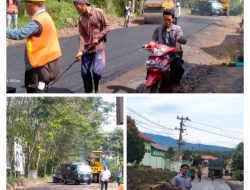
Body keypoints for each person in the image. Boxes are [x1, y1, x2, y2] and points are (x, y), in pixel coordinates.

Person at [6, 0, 61, 93]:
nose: (25, 7)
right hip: (46, 64)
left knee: (32, 89)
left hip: (36, 66)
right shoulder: (45, 16)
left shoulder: (37, 22)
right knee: (41, 88)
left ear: (31, 4)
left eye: (26, 4)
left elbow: (19, 34)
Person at [73, 0, 111, 93]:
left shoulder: (98, 12)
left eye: (78, 7)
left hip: (98, 48)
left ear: (83, 4)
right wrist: (80, 50)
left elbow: (108, 27)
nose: (77, 10)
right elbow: (81, 36)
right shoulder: (81, 18)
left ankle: (97, 85)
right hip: (87, 49)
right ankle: (88, 93)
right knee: (84, 73)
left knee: (97, 72)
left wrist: (97, 37)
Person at [146, 9, 184, 92]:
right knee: (150, 65)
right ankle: (149, 80)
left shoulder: (178, 29)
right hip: (161, 55)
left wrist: (177, 48)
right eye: (165, 19)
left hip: (174, 55)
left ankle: (175, 84)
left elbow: (178, 42)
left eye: (169, 20)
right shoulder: (158, 29)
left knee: (179, 68)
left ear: (173, 19)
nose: (167, 22)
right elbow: (153, 40)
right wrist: (148, 45)